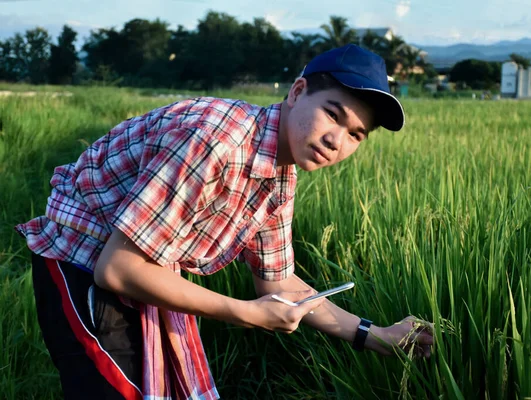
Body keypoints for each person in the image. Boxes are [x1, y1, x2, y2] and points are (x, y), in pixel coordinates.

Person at [15, 44, 434, 399]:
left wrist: (374, 335)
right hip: (82, 257)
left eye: (356, 134)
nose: (336, 140)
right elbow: (117, 269)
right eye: (333, 114)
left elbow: (279, 283)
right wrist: (247, 313)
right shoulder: (216, 141)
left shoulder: (278, 176)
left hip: (146, 261)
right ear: (297, 91)